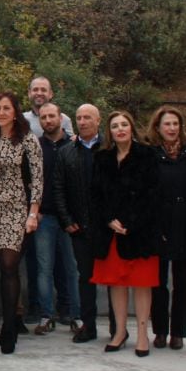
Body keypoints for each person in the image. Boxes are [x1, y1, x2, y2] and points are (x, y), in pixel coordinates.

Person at [90, 111, 160, 357]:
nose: (120, 129)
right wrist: (110, 220)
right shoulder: (102, 158)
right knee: (116, 284)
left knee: (141, 284)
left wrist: (131, 222)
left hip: (140, 232)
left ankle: (142, 334)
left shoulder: (147, 155)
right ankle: (120, 332)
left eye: (124, 125)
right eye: (115, 126)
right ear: (110, 132)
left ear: (132, 128)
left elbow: (152, 195)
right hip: (112, 234)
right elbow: (96, 196)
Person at [0, 92, 43, 354]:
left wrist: (33, 213)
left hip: (18, 210)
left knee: (10, 267)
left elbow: (38, 180)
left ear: (15, 111)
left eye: (6, 108)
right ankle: (8, 324)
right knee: (3, 267)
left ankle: (10, 329)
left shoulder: (28, 139)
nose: (1, 113)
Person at [53, 104, 105, 343]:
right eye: (79, 118)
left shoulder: (110, 148)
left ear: (98, 120)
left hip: (108, 227)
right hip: (79, 227)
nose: (83, 122)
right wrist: (67, 220)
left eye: (87, 118)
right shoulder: (66, 152)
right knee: (85, 278)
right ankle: (88, 326)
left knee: (113, 280)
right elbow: (59, 188)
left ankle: (118, 326)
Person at [146, 106, 186, 350]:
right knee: (158, 284)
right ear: (158, 127)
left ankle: (178, 332)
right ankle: (160, 331)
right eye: (167, 124)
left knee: (183, 283)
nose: (172, 128)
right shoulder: (151, 155)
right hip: (160, 224)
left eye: (176, 124)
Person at [33, 102, 79, 335]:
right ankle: (46, 316)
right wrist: (35, 210)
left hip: (70, 218)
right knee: (44, 269)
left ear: (61, 118)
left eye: (52, 116)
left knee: (72, 268)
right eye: (43, 117)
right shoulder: (36, 146)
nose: (48, 120)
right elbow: (30, 181)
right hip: (45, 217)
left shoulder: (74, 145)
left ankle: (76, 316)